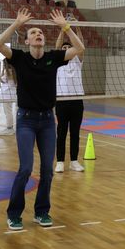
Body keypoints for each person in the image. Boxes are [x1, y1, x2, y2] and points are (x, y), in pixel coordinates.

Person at [0, 7, 84, 231]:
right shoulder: (20, 58)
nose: (38, 35)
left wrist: (65, 27)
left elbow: (80, 48)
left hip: (46, 121)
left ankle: (41, 212)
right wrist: (17, 23)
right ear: (26, 41)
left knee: (47, 169)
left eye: (41, 33)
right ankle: (14, 214)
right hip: (25, 120)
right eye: (33, 33)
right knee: (25, 168)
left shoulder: (53, 58)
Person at [54, 24, 86, 173]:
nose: (65, 49)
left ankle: (74, 161)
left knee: (75, 133)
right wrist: (62, 28)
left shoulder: (77, 61)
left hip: (77, 101)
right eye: (63, 48)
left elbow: (80, 44)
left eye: (68, 47)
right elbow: (57, 45)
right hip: (61, 101)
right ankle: (60, 161)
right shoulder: (58, 62)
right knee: (61, 133)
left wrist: (77, 27)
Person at [0, 58, 17, 136]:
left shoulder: (7, 72)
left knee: (8, 111)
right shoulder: (15, 71)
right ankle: (15, 127)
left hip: (6, 94)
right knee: (15, 111)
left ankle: (9, 128)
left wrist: (2, 70)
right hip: (13, 93)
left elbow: (1, 80)